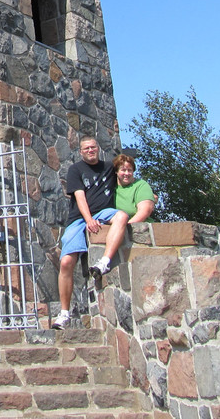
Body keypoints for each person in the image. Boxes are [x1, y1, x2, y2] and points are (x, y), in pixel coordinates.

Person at [52, 136, 129, 330]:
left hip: (104, 212)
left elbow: (127, 174)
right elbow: (79, 196)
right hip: (79, 218)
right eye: (86, 148)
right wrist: (88, 220)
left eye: (93, 147)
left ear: (98, 148)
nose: (90, 150)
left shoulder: (109, 168)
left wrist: (147, 196)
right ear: (81, 151)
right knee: (67, 262)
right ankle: (64, 313)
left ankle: (104, 262)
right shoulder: (75, 170)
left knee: (121, 217)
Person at [113, 154, 156, 223]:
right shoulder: (110, 187)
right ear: (116, 171)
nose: (126, 173)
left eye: (129, 170)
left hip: (141, 227)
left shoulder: (141, 185)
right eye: (123, 170)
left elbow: (145, 210)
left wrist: (126, 226)